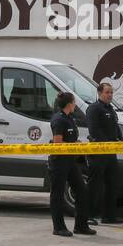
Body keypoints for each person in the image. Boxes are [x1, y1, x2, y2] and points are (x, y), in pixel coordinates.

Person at [48, 92, 93, 237]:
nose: (75, 105)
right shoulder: (58, 119)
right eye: (74, 102)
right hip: (59, 161)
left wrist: (77, 145)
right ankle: (58, 227)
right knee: (57, 195)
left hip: (70, 161)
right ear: (69, 104)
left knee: (82, 190)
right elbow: (57, 142)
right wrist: (73, 145)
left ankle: (81, 225)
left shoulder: (69, 118)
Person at [85, 81, 123, 225]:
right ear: (99, 93)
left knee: (112, 184)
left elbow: (115, 126)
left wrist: (121, 138)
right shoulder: (93, 109)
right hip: (99, 151)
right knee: (94, 185)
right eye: (107, 92)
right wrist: (107, 143)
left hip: (111, 152)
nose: (110, 95)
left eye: (111, 92)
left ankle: (109, 216)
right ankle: (88, 215)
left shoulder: (111, 109)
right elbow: (94, 130)